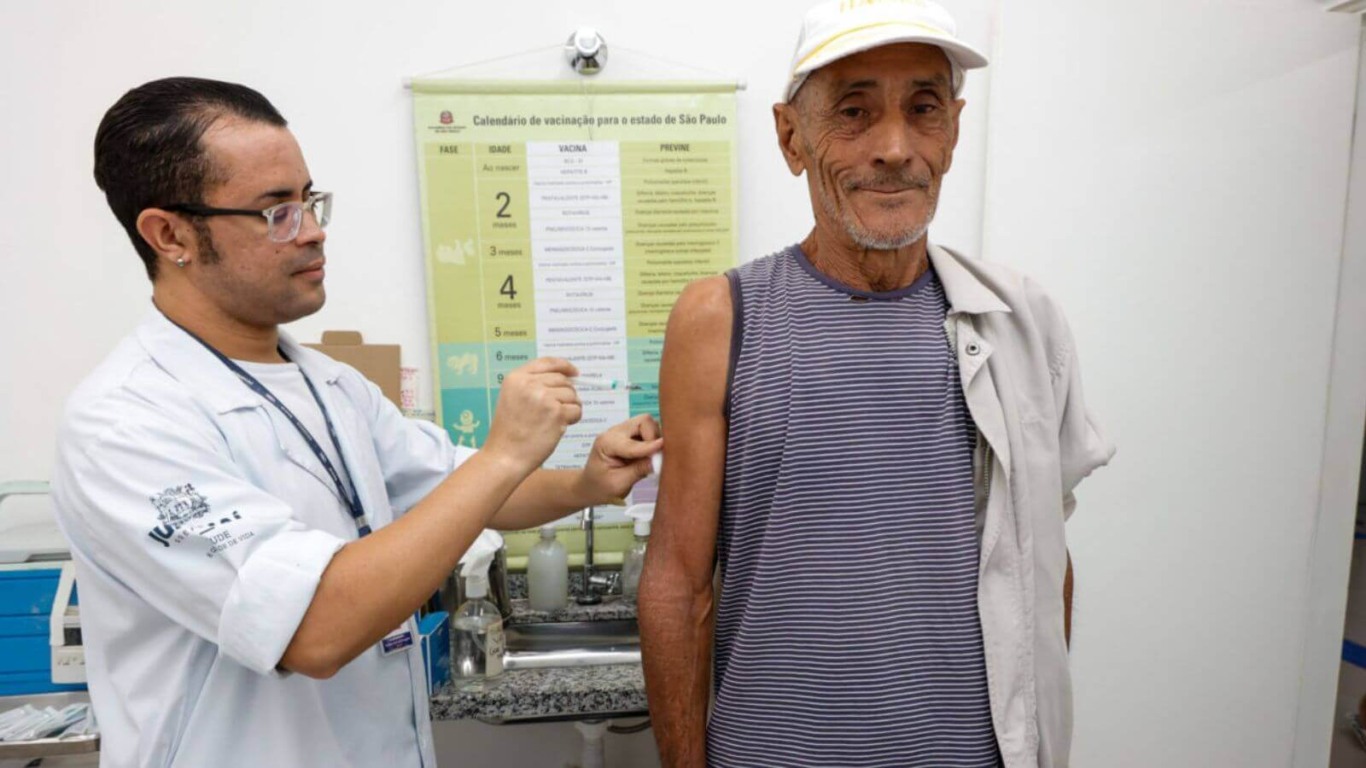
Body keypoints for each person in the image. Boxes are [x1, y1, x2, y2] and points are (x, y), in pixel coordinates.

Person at [51, 77, 661, 767]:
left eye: (309, 200)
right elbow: (312, 630)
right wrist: (503, 453)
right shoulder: (126, 423)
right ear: (170, 235)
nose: (312, 230)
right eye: (275, 211)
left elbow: (454, 492)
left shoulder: (330, 384)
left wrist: (587, 481)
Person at [637, 1, 1114, 766]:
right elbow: (677, 584)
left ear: (953, 130)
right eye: (854, 112)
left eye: (923, 109)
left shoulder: (1020, 323)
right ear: (791, 137)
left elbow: (1041, 560)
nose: (895, 148)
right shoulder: (721, 318)